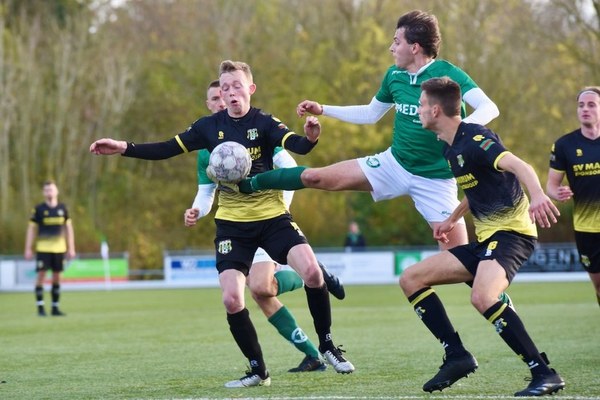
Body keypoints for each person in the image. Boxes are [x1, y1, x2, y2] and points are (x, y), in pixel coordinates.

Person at [90, 60, 355, 388]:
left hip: (272, 217)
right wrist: (124, 148)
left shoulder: (264, 122)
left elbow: (295, 145)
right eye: (224, 87)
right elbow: (166, 149)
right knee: (233, 298)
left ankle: (327, 346)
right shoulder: (207, 127)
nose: (230, 92)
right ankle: (258, 370)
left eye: (236, 86)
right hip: (232, 224)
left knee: (312, 273)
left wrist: (311, 138)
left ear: (250, 89)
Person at [237, 10, 512, 307]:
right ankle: (251, 183)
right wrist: (323, 109)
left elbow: (489, 108)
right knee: (317, 177)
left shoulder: (448, 75)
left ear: (414, 46)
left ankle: (500, 301)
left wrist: (460, 131)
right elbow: (370, 114)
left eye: (396, 41)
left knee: (459, 262)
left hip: (436, 180)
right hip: (393, 165)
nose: (391, 48)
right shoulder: (393, 76)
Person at [398, 76, 564, 396]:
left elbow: (518, 164)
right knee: (411, 279)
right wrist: (451, 220)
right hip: (485, 241)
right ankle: (457, 355)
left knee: (482, 297)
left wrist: (539, 195)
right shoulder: (450, 149)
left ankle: (543, 373)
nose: (416, 111)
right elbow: (477, 189)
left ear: (435, 110)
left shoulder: (475, 137)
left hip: (512, 234)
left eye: (420, 105)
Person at [183, 80, 344, 373]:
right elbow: (207, 194)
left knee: (260, 287)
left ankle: (314, 275)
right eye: (216, 98)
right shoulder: (208, 149)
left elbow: (290, 170)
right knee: (261, 292)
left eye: (227, 95)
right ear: (209, 105)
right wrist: (197, 210)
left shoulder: (257, 133)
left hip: (269, 219)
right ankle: (310, 356)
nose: (223, 101)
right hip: (236, 225)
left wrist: (280, 213)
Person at [547, 87, 600, 308]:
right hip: (587, 228)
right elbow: (551, 185)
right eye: (581, 105)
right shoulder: (564, 145)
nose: (585, 109)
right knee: (598, 286)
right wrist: (557, 193)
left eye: (591, 105)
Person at [24, 180, 76, 317]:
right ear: (43, 192)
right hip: (43, 249)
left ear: (56, 191)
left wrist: (71, 247)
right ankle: (40, 308)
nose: (49, 192)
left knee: (57, 277)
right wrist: (28, 248)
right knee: (41, 275)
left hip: (60, 249)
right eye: (46, 190)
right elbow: (31, 229)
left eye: (51, 189)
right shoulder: (39, 209)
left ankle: (55, 308)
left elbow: (68, 228)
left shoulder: (63, 209)